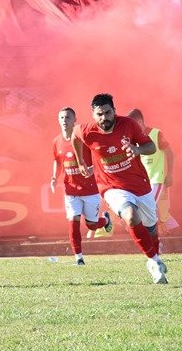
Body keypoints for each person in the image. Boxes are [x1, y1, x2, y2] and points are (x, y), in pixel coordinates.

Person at [73, 93, 167, 283]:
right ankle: (154, 261)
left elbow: (151, 147)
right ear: (93, 114)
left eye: (107, 113)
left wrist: (137, 149)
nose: (104, 118)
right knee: (131, 216)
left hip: (140, 184)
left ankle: (154, 257)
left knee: (151, 230)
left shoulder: (129, 125)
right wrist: (81, 161)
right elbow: (75, 136)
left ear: (114, 111)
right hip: (111, 186)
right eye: (99, 114)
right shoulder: (86, 130)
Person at [50, 107, 112, 265]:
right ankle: (79, 258)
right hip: (71, 190)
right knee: (73, 220)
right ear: (58, 120)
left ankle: (105, 221)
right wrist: (53, 177)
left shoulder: (83, 139)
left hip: (90, 190)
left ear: (74, 120)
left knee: (91, 225)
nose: (65, 120)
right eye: (62, 117)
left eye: (68, 117)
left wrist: (92, 168)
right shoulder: (56, 141)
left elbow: (98, 156)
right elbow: (57, 161)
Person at [127, 109, 179, 238]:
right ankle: (175, 234)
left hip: (157, 179)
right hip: (144, 182)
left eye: (133, 124)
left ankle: (153, 242)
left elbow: (170, 153)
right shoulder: (135, 138)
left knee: (148, 208)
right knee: (161, 213)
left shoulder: (156, 134)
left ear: (139, 121)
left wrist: (170, 174)